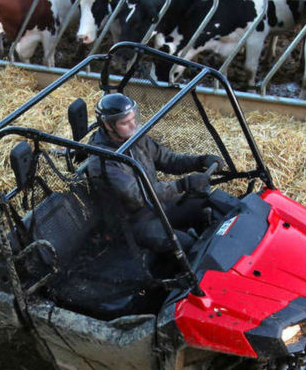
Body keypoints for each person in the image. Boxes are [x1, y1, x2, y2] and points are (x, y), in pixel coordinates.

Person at [86, 93, 224, 253]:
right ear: (108, 126)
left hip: (157, 206)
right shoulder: (103, 160)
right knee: (188, 246)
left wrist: (199, 161)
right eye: (125, 123)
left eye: (133, 119)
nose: (133, 126)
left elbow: (168, 159)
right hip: (133, 222)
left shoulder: (134, 138)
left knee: (210, 205)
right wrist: (182, 185)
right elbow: (136, 195)